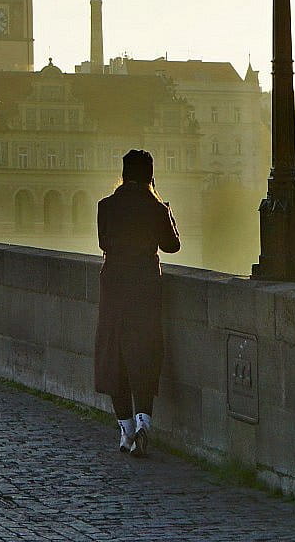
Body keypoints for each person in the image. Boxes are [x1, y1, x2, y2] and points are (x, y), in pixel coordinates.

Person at [94, 149, 180, 458]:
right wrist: (165, 210)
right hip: (145, 285)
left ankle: (125, 430)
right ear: (150, 176)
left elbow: (104, 242)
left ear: (124, 174)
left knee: (113, 351)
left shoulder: (106, 206)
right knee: (144, 350)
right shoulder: (154, 208)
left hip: (114, 285)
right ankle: (144, 421)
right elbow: (173, 245)